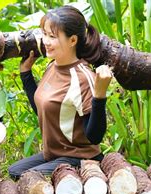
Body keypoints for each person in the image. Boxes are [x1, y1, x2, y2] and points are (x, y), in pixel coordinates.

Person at [8, 5, 113, 178]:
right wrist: (26, 74)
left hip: (79, 158)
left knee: (27, 177)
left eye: (52, 36)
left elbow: (94, 137)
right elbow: (43, 110)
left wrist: (100, 95)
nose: (45, 41)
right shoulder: (53, 66)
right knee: (15, 171)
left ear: (72, 40)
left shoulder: (82, 78)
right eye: (45, 34)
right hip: (54, 154)